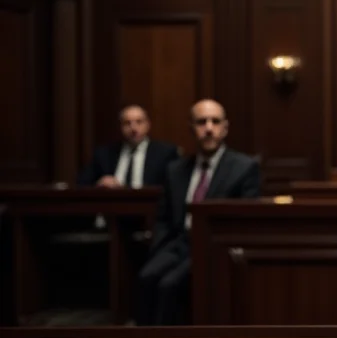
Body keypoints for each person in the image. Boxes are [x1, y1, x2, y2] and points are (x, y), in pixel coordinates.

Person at [136, 99, 260, 325]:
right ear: (191, 128)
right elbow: (163, 217)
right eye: (202, 122)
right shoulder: (176, 169)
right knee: (146, 277)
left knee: (169, 285)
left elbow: (247, 224)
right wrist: (159, 249)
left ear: (225, 128)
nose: (209, 128)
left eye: (215, 121)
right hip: (178, 243)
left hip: (212, 248)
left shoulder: (244, 167)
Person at [77, 104, 179, 188]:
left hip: (150, 209)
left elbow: (173, 186)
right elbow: (82, 183)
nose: (133, 128)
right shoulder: (104, 154)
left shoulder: (165, 153)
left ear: (148, 125)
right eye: (127, 123)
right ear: (120, 127)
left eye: (139, 122)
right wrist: (100, 183)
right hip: (112, 208)